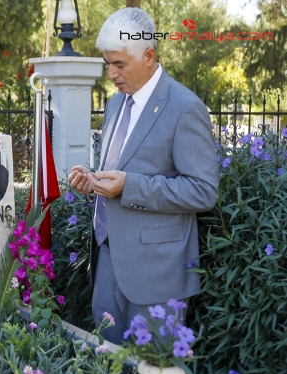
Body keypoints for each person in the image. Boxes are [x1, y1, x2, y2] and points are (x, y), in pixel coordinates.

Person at [67, 8, 219, 344]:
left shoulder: (184, 106)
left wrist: (129, 187)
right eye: (108, 63)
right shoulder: (114, 104)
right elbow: (119, 168)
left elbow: (204, 190)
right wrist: (91, 183)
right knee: (109, 365)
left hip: (156, 277)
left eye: (119, 64)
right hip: (106, 263)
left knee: (153, 371)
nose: (111, 73)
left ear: (149, 56)